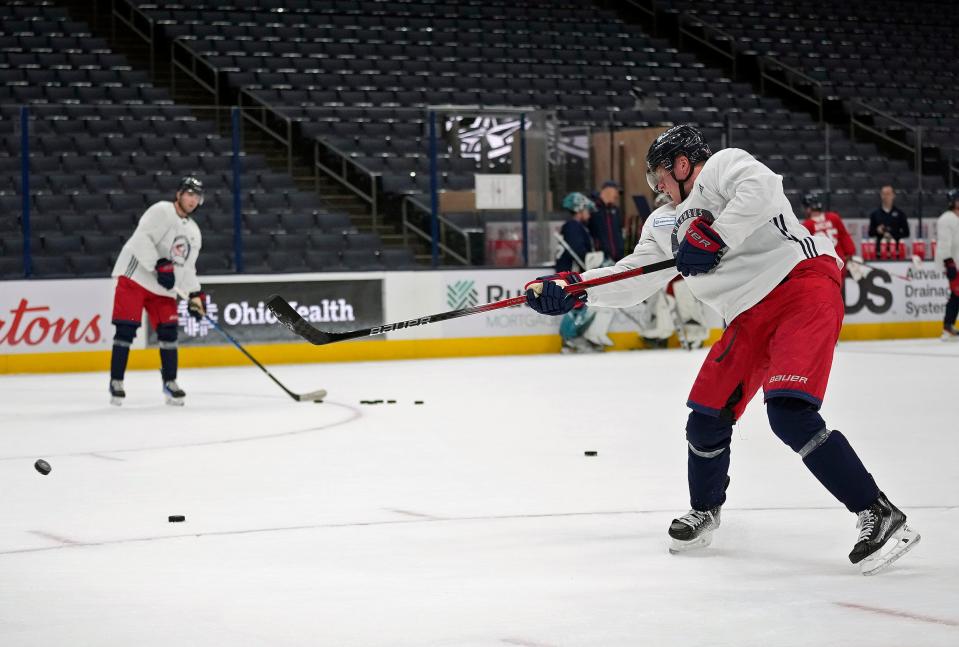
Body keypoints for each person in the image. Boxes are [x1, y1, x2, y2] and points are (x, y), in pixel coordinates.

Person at [525, 124, 919, 575]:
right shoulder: (663, 223)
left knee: (789, 412)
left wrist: (718, 235)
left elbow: (762, 188)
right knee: (706, 417)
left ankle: (879, 511)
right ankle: (705, 510)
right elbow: (634, 276)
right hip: (746, 315)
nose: (658, 188)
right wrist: (573, 289)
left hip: (801, 284)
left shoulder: (723, 168)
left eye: (660, 177)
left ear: (682, 164)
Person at [108, 176, 207, 406]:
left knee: (169, 332)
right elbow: (141, 238)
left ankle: (170, 383)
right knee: (126, 329)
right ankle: (116, 381)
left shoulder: (194, 231)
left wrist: (194, 293)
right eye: (189, 194)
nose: (192, 200)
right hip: (136, 277)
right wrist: (158, 264)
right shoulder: (161, 211)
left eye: (197, 196)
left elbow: (186, 267)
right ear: (179, 194)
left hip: (163, 288)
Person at [554, 192, 612, 353]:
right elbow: (579, 252)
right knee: (577, 306)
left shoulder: (577, 227)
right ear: (578, 209)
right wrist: (599, 260)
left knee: (580, 306)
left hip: (571, 272)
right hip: (570, 273)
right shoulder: (573, 226)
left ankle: (574, 338)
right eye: (586, 209)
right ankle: (570, 339)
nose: (588, 213)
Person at [800, 192, 867, 281]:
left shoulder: (807, 225)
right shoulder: (833, 217)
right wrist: (850, 253)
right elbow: (844, 236)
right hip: (840, 262)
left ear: (808, 209)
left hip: (823, 266)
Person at [935, 189, 959, 341]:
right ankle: (947, 327)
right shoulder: (946, 219)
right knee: (957, 294)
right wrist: (949, 264)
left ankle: (948, 326)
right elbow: (944, 243)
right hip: (953, 263)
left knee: (956, 295)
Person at [867, 185, 910, 257]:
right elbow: (870, 233)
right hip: (880, 251)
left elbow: (906, 233)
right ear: (881, 195)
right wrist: (877, 230)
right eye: (884, 194)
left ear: (893, 195)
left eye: (888, 194)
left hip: (896, 251)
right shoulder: (874, 214)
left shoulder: (900, 214)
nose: (886, 196)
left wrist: (893, 235)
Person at [588, 180, 625, 262]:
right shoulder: (592, 208)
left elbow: (619, 232)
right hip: (599, 259)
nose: (617, 196)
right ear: (608, 190)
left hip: (617, 259)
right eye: (616, 192)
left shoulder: (616, 210)